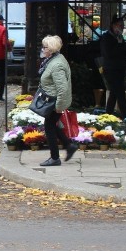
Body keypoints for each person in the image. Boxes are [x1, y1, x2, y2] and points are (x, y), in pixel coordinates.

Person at [38, 34, 77, 166]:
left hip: (55, 102)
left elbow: (62, 88)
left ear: (51, 49)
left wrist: (59, 106)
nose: (42, 50)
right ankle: (69, 145)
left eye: (45, 47)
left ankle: (55, 158)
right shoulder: (55, 59)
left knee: (49, 126)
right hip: (53, 100)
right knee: (51, 124)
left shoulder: (56, 64)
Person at [100, 16, 126, 117]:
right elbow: (109, 54)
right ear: (113, 26)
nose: (122, 27)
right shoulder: (106, 37)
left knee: (114, 92)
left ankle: (108, 114)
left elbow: (122, 53)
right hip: (111, 69)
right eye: (120, 25)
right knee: (120, 92)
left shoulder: (119, 37)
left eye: (123, 25)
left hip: (120, 68)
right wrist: (119, 43)